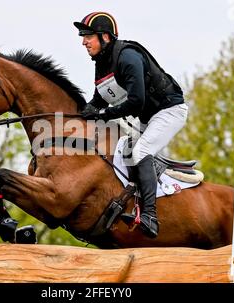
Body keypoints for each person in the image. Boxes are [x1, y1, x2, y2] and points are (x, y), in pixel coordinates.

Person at [74, 12, 188, 238]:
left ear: (105, 37)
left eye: (88, 36)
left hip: (169, 111)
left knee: (140, 151)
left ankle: (151, 217)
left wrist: (103, 115)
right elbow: (100, 98)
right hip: (149, 117)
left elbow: (136, 102)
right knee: (122, 150)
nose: (83, 42)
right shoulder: (102, 62)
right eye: (83, 36)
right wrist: (83, 112)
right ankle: (133, 203)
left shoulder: (127, 57)